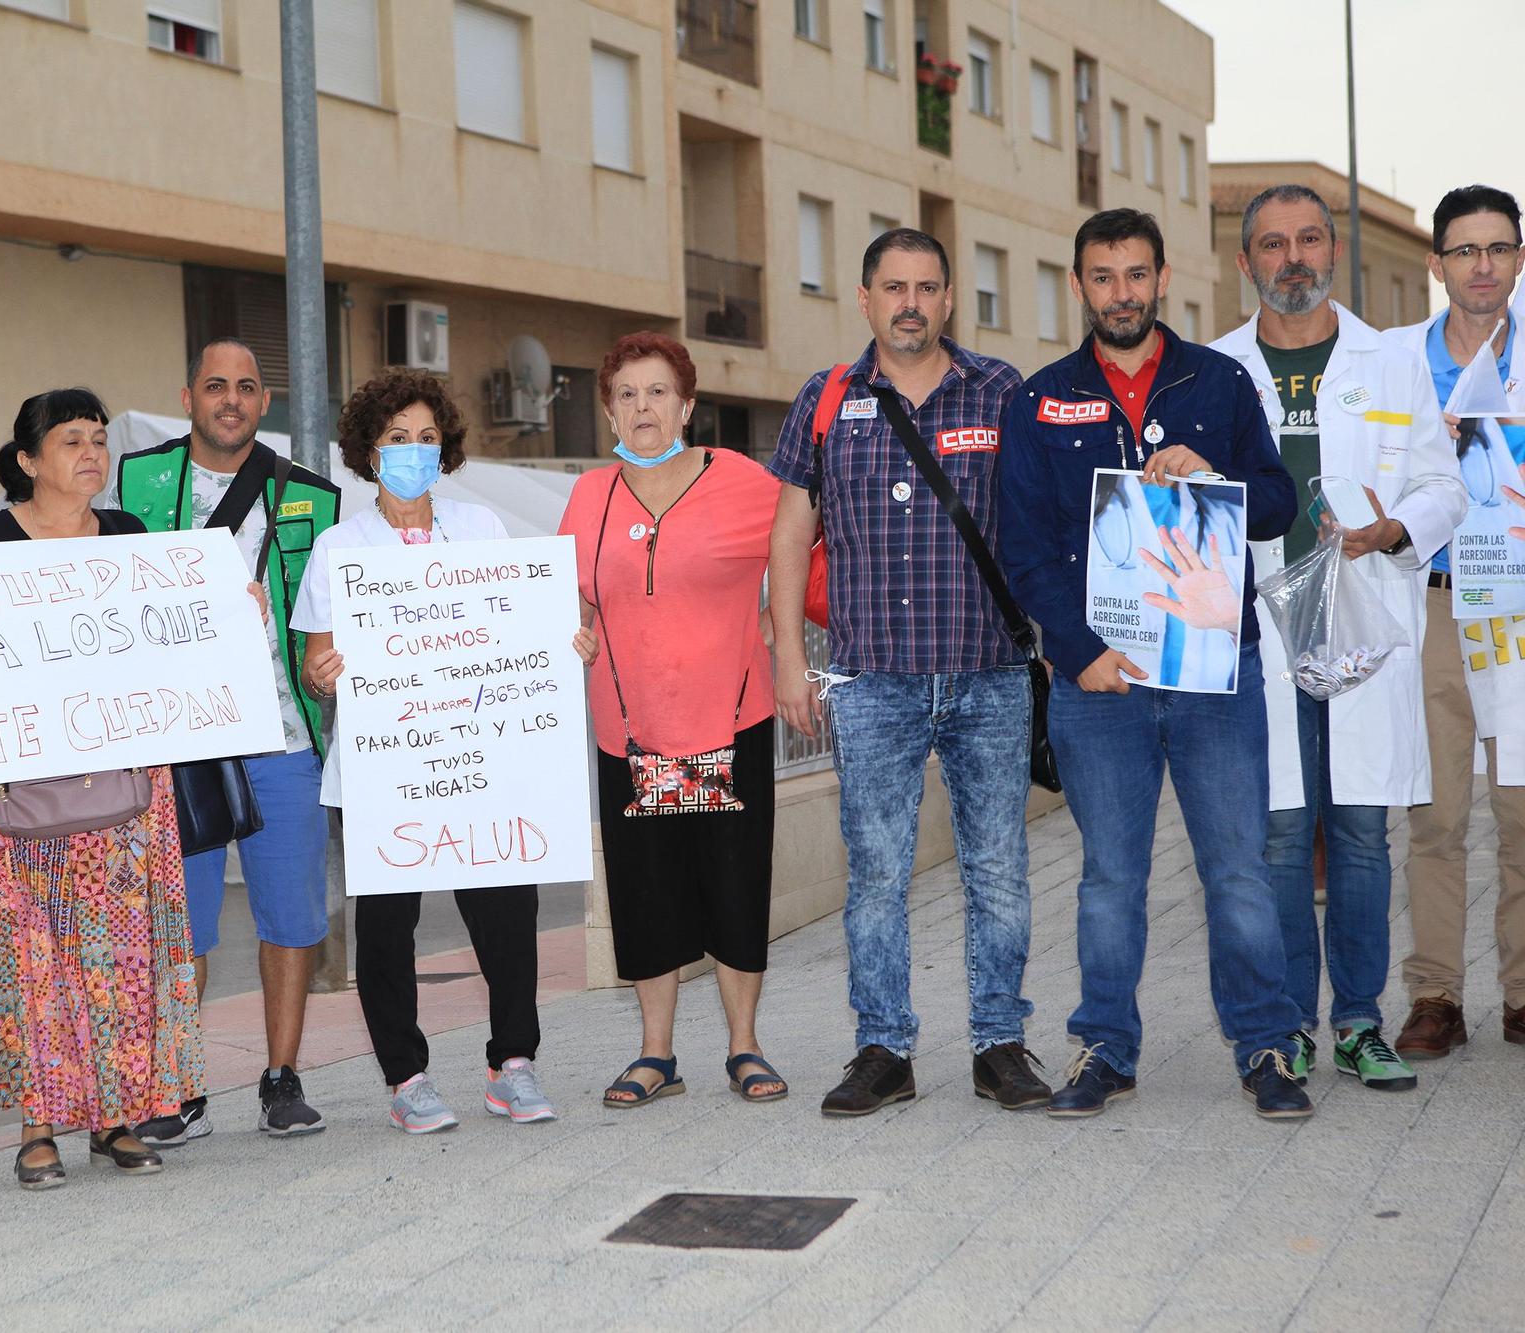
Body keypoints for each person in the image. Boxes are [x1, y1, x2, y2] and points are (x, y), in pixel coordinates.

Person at [998, 209, 1315, 1120]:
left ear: (1162, 278)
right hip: (1102, 687)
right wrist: (1079, 650)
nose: (1122, 293)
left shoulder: (1218, 383)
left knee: (1239, 870)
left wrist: (1211, 472)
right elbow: (1022, 545)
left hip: (1215, 679)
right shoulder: (1041, 397)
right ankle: (1106, 1047)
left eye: (1136, 275)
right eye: (1104, 277)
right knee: (1108, 876)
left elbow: (1277, 503)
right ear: (1078, 286)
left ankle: (1264, 1043)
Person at [767, 228, 1052, 1117]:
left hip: (989, 674)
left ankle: (999, 1042)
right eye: (895, 287)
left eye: (928, 287)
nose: (911, 303)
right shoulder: (828, 398)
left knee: (998, 867)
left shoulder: (999, 390)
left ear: (950, 297)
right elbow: (787, 536)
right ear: (863, 299)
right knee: (877, 872)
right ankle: (883, 1047)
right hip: (872, 681)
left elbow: (1047, 515)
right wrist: (787, 659)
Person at [0, 389, 209, 1188]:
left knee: (122, 955)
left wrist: (221, 612)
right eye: (71, 439)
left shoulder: (130, 537)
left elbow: (168, 641)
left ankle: (115, 1116)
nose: (90, 452)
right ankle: (38, 1127)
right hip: (27, 786)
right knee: (39, 954)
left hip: (124, 786)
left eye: (99, 439)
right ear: (27, 459)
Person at [1210, 184, 1465, 1091]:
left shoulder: (1392, 365)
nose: (1294, 258)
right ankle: (1286, 1027)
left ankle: (1358, 1021)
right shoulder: (1214, 370)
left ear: (1333, 253)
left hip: (1364, 620)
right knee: (1280, 836)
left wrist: (1396, 530)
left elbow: (1445, 485)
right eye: (1273, 244)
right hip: (1261, 631)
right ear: (1245, 264)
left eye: (1310, 239)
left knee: (1360, 831)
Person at [294, 367, 591, 1132]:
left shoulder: (483, 531)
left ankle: (512, 1064)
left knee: (506, 911)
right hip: (385, 770)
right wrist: (320, 671)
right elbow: (313, 660)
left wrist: (566, 646)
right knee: (387, 927)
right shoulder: (339, 547)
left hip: (483, 762)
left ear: (446, 449)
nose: (414, 452)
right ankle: (407, 1076)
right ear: (368, 450)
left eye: (427, 439)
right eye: (398, 439)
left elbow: (522, 623)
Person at [554, 332, 788, 1109]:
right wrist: (575, 630)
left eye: (657, 392)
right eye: (626, 394)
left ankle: (744, 1045)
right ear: (609, 411)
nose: (642, 407)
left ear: (687, 404)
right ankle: (656, 1053)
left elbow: (803, 551)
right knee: (647, 891)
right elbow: (572, 599)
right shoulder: (589, 495)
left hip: (730, 721)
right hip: (630, 731)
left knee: (733, 883)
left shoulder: (744, 480)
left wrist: (789, 646)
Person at [119, 339, 340, 1142]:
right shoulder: (135, 481)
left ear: (265, 402)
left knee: (290, 918)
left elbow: (332, 611)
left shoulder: (313, 496)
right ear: (187, 396)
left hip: (283, 741)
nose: (232, 399)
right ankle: (181, 1086)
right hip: (181, 745)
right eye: (217, 385)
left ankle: (282, 1078)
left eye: (248, 387)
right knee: (183, 924)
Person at [1384, 184, 1525, 1056]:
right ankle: (1435, 994)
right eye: (1464, 250)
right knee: (1435, 814)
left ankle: (1524, 992)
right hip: (1432, 605)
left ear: (1518, 260)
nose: (1482, 265)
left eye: (1498, 248)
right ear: (1436, 265)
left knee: (1523, 809)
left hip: (1519, 607)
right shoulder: (1395, 363)